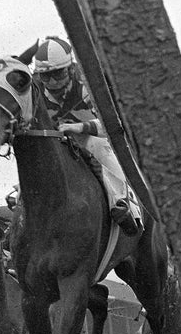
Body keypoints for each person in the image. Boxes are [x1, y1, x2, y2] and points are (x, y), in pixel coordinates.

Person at [32, 36, 142, 235]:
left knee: (97, 146)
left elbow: (113, 125)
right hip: (57, 144)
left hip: (94, 141)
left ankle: (125, 204)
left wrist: (79, 128)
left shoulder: (88, 84)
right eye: (45, 76)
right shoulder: (35, 89)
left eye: (58, 74)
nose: (52, 82)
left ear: (70, 68)